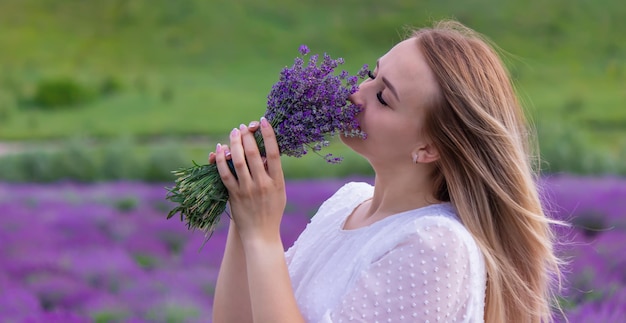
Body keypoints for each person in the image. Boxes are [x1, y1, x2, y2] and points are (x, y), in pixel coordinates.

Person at [208, 20, 563, 323]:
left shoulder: (435, 246)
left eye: (383, 98)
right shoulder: (345, 205)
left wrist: (264, 234)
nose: (356, 94)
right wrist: (245, 213)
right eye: (371, 75)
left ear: (429, 148)